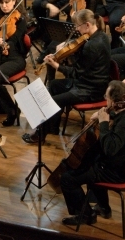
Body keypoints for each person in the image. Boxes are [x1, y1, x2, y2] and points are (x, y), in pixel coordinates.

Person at [59, 80, 125, 226]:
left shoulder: (124, 124)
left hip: (118, 173)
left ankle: (86, 215)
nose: (105, 99)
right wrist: (106, 115)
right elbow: (119, 123)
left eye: (106, 97)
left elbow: (110, 149)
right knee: (90, 161)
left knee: (68, 178)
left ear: (114, 101)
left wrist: (104, 123)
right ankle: (104, 208)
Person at [26, 9, 111, 143]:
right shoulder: (102, 36)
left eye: (78, 25)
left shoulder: (93, 45)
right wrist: (69, 50)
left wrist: (57, 65)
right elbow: (84, 62)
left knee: (53, 100)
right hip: (88, 82)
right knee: (53, 85)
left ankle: (40, 135)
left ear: (87, 25)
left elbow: (76, 72)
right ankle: (52, 127)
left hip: (90, 89)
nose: (77, 29)